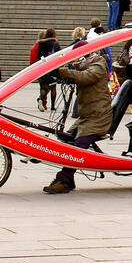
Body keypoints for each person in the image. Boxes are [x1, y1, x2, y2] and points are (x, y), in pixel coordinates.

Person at [42, 46, 114, 194]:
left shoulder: (98, 63)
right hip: (87, 117)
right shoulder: (85, 64)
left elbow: (85, 77)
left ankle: (63, 179)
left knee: (78, 147)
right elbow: (78, 72)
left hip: (98, 118)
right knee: (66, 140)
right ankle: (67, 179)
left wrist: (61, 71)